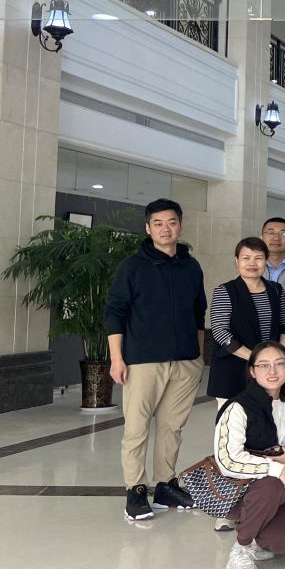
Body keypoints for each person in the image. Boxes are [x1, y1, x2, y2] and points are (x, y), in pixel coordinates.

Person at [105, 197, 208, 522]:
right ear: (148, 228)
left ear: (180, 226)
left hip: (185, 361)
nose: (166, 229)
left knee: (172, 427)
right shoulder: (132, 267)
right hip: (143, 361)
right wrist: (117, 359)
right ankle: (135, 490)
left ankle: (165, 485)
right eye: (158, 223)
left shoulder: (191, 266)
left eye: (172, 222)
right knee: (137, 428)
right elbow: (115, 312)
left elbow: (199, 313)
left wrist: (199, 355)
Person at [214, 341, 285, 569]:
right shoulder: (237, 406)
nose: (272, 371)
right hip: (241, 490)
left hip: (284, 491)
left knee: (281, 540)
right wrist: (276, 469)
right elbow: (227, 460)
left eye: (279, 364)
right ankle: (241, 548)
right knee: (271, 485)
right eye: (263, 365)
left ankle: (256, 533)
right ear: (252, 371)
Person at [207, 236, 285, 402]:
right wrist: (256, 358)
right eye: (246, 258)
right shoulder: (225, 291)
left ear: (266, 261)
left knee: (272, 415)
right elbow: (220, 331)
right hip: (233, 371)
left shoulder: (276, 290)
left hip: (271, 371)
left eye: (258, 258)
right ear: (237, 261)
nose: (252, 263)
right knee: (235, 417)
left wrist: (276, 357)